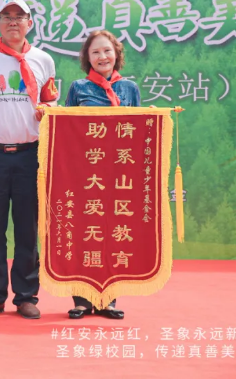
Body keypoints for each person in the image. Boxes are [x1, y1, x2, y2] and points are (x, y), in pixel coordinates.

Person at [0, 0, 59, 319]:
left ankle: (26, 296)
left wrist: (49, 110)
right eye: (7, 16)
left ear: (30, 23)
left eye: (20, 16)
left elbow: (51, 101)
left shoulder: (43, 60)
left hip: (30, 156)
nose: (13, 22)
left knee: (27, 229)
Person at [64, 29, 141, 320]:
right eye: (95, 52)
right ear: (88, 58)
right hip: (86, 175)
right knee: (84, 234)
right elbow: (67, 131)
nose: (102, 56)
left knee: (113, 234)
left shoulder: (129, 89)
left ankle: (108, 299)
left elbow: (137, 132)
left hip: (118, 175)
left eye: (107, 50)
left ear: (116, 54)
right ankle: (81, 300)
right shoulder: (78, 88)